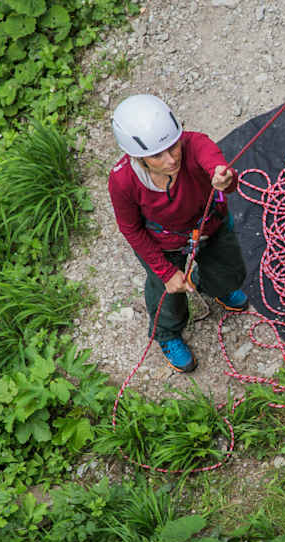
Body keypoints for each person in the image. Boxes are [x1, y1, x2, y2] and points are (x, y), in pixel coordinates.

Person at [107, 94, 249, 373]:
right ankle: (167, 334)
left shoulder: (195, 144)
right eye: (157, 155)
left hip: (211, 225)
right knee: (166, 295)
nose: (171, 159)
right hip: (163, 243)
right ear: (138, 157)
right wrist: (165, 272)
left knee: (229, 271)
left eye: (173, 148)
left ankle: (212, 285)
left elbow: (219, 169)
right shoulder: (123, 180)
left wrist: (225, 177)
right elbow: (131, 228)